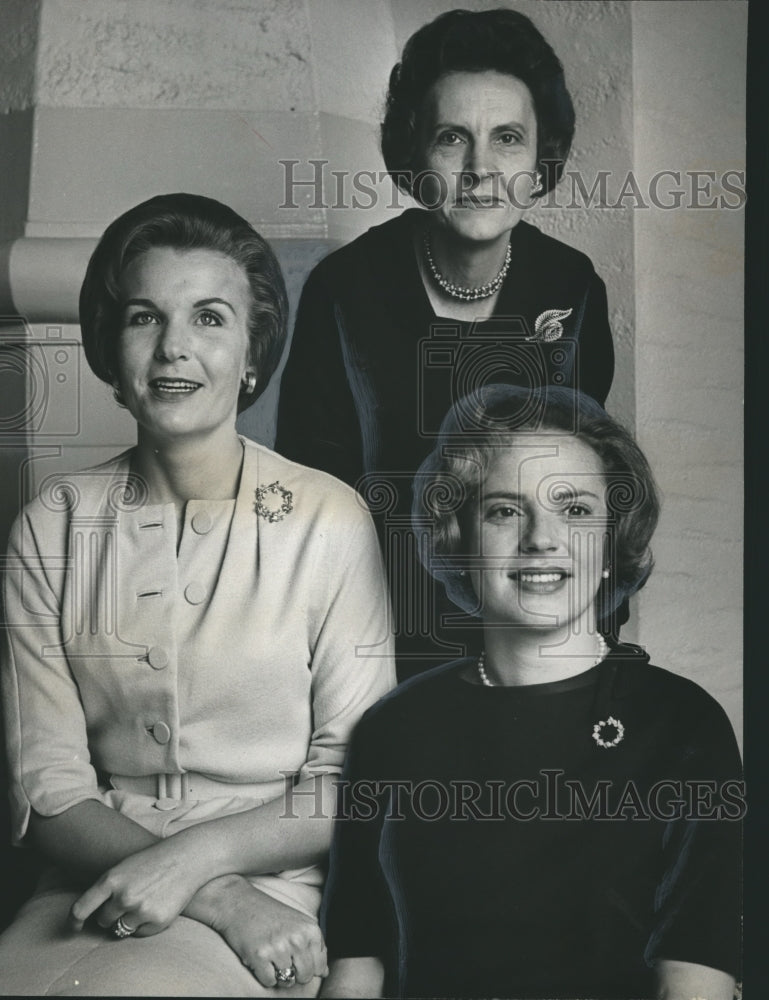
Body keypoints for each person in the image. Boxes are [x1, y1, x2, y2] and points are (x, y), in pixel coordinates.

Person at [0, 193, 395, 997]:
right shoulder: (51, 526)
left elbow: (349, 779)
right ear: (111, 348)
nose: (175, 348)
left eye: (210, 318)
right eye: (144, 318)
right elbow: (46, 793)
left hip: (278, 886)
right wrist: (213, 895)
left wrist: (205, 865)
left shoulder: (327, 519)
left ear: (253, 352)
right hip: (92, 877)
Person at [319, 385, 742, 1000]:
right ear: (459, 538)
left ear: (609, 542)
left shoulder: (683, 725)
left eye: (573, 510)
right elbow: (358, 966)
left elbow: (698, 973)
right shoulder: (395, 729)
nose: (541, 538)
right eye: (505, 511)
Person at [275, 8, 616, 674]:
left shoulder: (569, 285)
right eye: (453, 138)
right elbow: (308, 498)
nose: (480, 169)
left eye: (508, 138)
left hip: (531, 635)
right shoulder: (344, 288)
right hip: (373, 638)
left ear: (540, 157)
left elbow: (582, 492)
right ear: (414, 151)